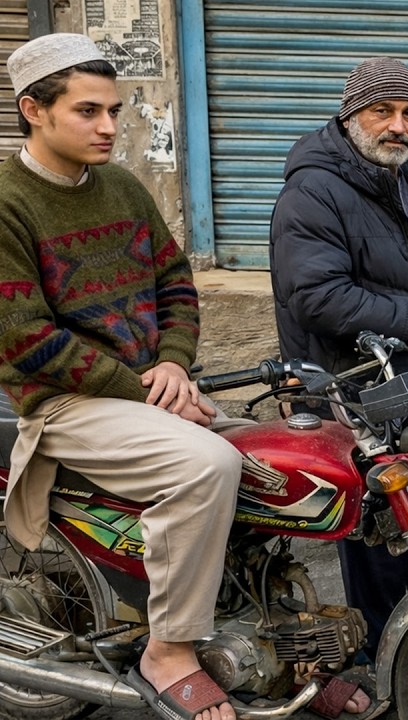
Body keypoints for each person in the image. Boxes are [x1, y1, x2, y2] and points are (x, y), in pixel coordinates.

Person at [0, 34, 243, 720]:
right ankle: (168, 650)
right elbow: (23, 336)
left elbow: (176, 282)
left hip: (149, 387)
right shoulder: (8, 202)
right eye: (88, 111)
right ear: (34, 110)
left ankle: (287, 641)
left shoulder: (125, 186)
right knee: (207, 467)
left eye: (113, 109)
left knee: (277, 464)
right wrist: (146, 390)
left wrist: (173, 362)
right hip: (65, 403)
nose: (109, 126)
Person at [270, 57, 408, 663]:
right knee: (379, 532)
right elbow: (319, 298)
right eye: (382, 111)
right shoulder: (314, 191)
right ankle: (389, 660)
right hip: (354, 388)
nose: (398, 126)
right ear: (349, 115)